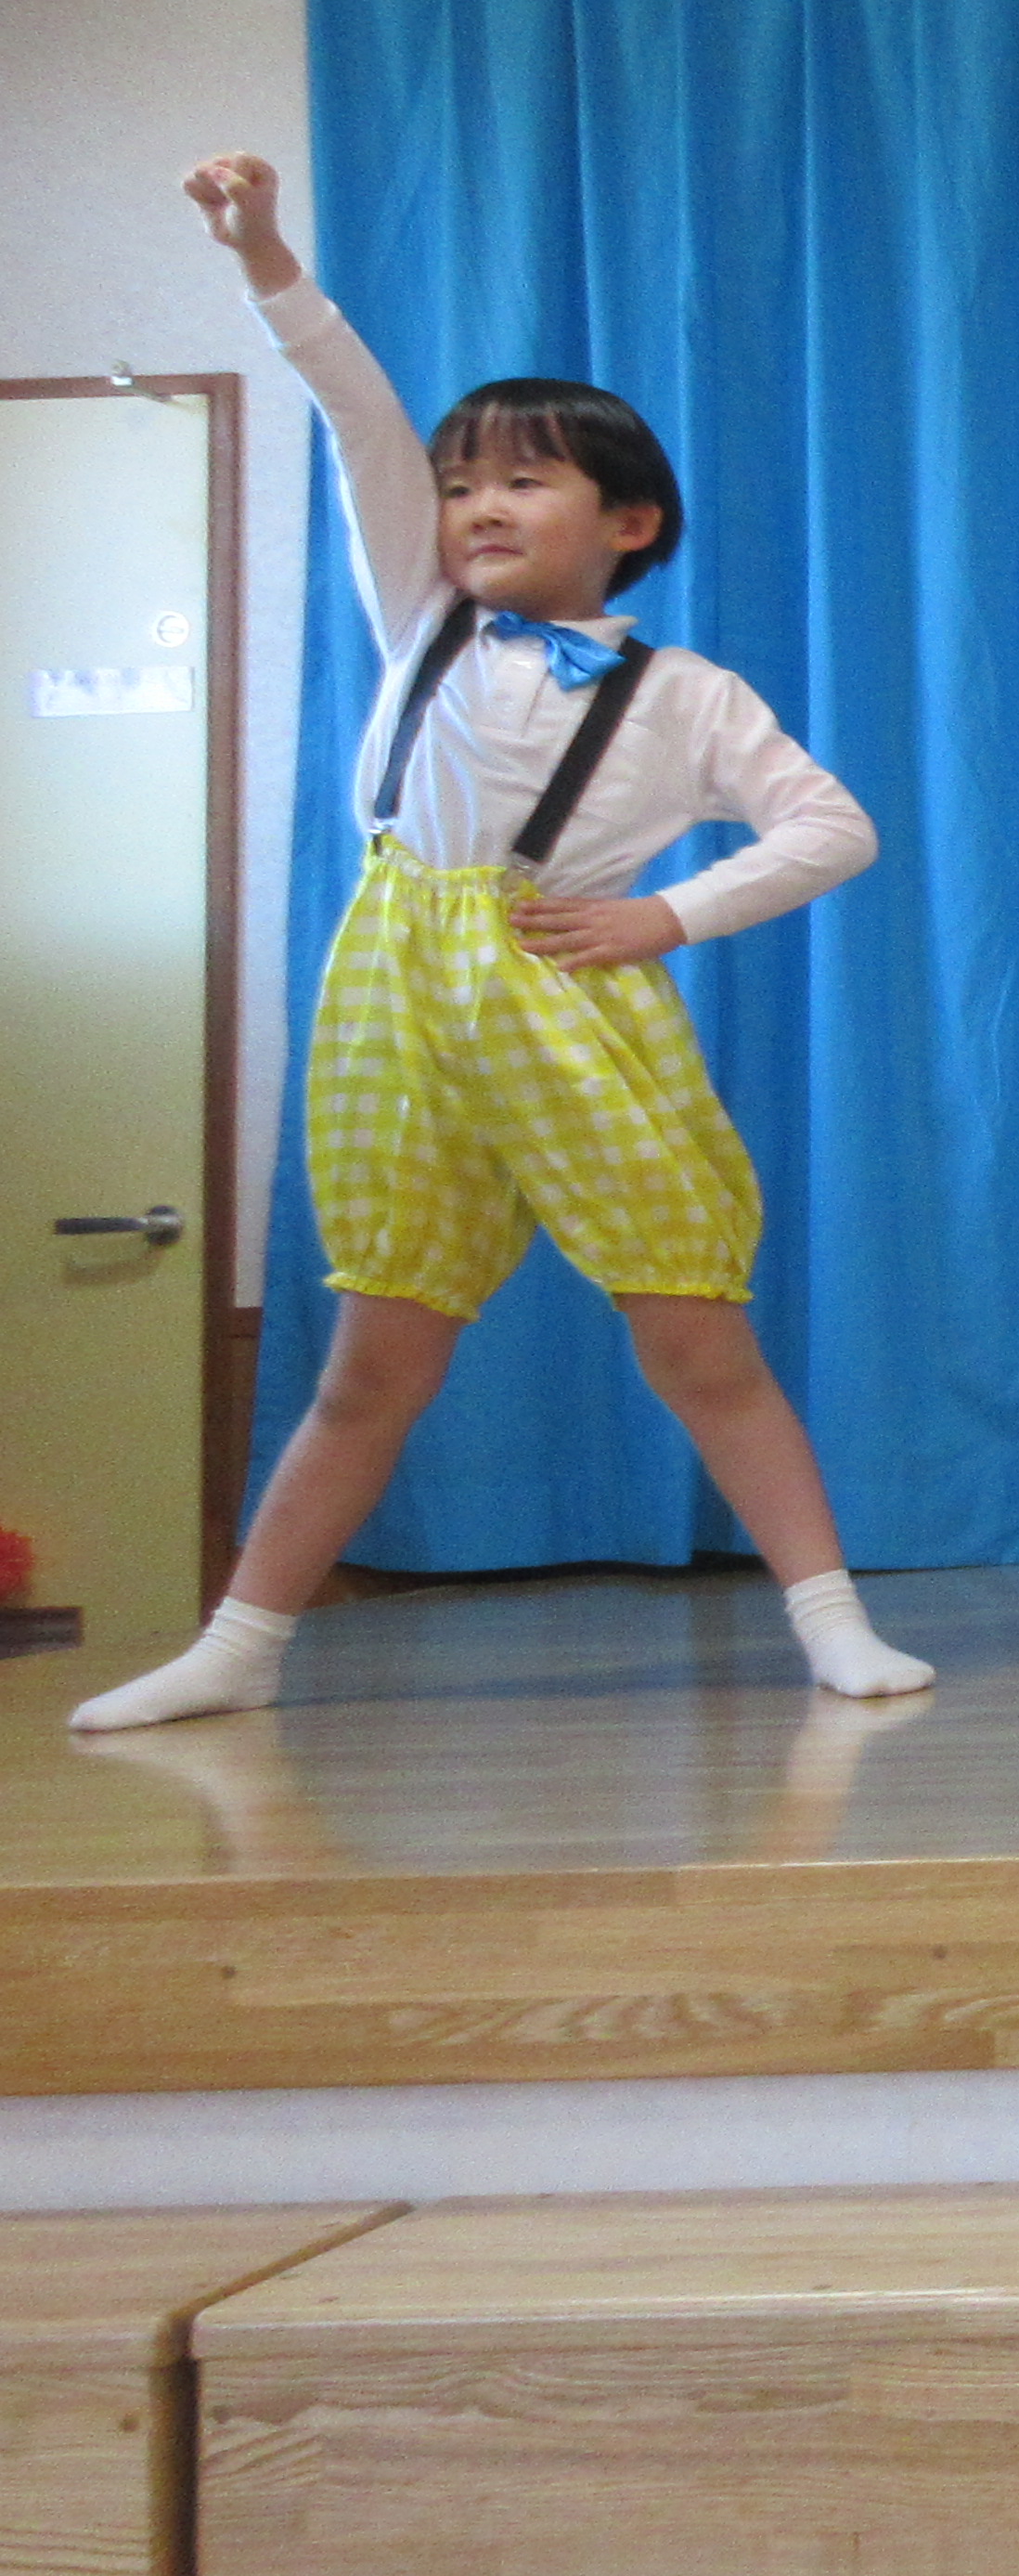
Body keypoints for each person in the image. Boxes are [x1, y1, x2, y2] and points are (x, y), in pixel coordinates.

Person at [74, 154, 921, 1733]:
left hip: (567, 1003)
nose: (476, 505)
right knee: (374, 1354)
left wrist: (663, 913)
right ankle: (239, 1648)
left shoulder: (686, 693)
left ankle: (833, 1623)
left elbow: (834, 827)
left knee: (693, 1335)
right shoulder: (424, 614)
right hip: (394, 989)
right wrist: (263, 254)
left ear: (628, 522)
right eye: (461, 482)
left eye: (522, 482)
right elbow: (353, 410)